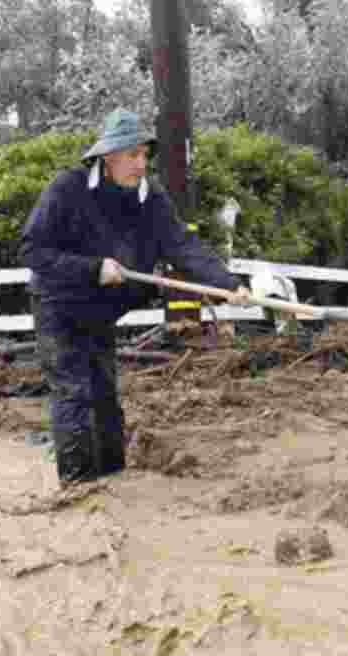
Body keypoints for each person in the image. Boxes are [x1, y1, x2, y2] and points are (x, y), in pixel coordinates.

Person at [19, 108, 250, 486]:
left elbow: (182, 246)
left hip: (99, 309)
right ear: (108, 158)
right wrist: (93, 268)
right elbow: (32, 250)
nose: (142, 164)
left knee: (105, 393)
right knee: (73, 392)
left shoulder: (150, 198)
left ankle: (114, 479)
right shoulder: (68, 188)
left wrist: (227, 285)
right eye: (133, 155)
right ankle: (78, 490)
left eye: (145, 154)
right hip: (57, 303)